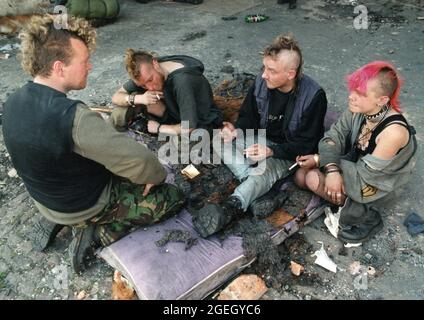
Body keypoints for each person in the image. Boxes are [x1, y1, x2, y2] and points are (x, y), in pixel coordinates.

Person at [2, 15, 185, 273]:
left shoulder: (13, 101)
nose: (90, 67)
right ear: (59, 67)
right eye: (85, 62)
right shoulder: (74, 118)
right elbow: (142, 162)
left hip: (45, 199)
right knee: (173, 197)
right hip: (83, 205)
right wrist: (155, 176)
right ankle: (99, 233)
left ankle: (63, 220)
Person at [192, 34, 328, 238]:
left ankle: (232, 206)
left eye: (271, 70)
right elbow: (248, 116)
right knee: (218, 138)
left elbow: (306, 145)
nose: (264, 75)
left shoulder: (314, 96)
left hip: (286, 151)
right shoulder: (261, 82)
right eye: (264, 68)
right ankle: (258, 189)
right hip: (259, 140)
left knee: (262, 171)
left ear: (291, 74)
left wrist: (272, 151)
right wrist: (236, 130)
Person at [294, 61, 417, 244]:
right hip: (354, 164)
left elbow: (366, 178)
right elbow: (333, 137)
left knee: (312, 178)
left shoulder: (393, 133)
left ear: (382, 100)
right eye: (352, 90)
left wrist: (327, 165)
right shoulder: (360, 109)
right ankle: (338, 197)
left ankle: (368, 218)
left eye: (360, 94)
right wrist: (330, 165)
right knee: (300, 175)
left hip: (376, 183)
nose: (351, 97)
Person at [110, 49, 223, 135]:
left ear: (155, 64)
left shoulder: (183, 81)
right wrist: (139, 99)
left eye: (150, 80)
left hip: (199, 123)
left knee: (188, 143)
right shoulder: (148, 71)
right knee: (121, 109)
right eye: (143, 85)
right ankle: (117, 138)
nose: (150, 87)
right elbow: (116, 97)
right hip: (171, 110)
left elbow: (189, 127)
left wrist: (160, 128)